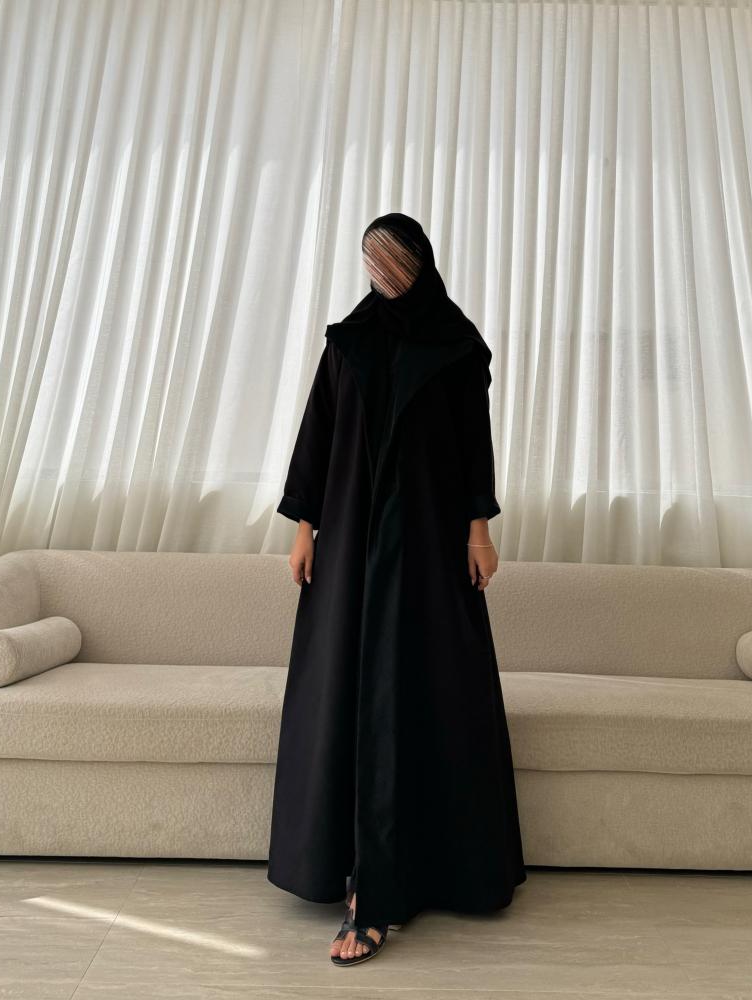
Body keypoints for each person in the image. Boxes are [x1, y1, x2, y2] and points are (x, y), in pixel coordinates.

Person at [267, 212, 526, 967]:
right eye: (370, 261)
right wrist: (304, 528)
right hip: (350, 548)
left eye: (392, 261)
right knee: (349, 697)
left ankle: (402, 882)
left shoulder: (457, 346)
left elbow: (472, 447)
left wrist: (478, 531)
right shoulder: (347, 341)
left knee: (421, 698)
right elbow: (317, 436)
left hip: (427, 550)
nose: (380, 274)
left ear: (419, 263)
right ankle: (355, 877)